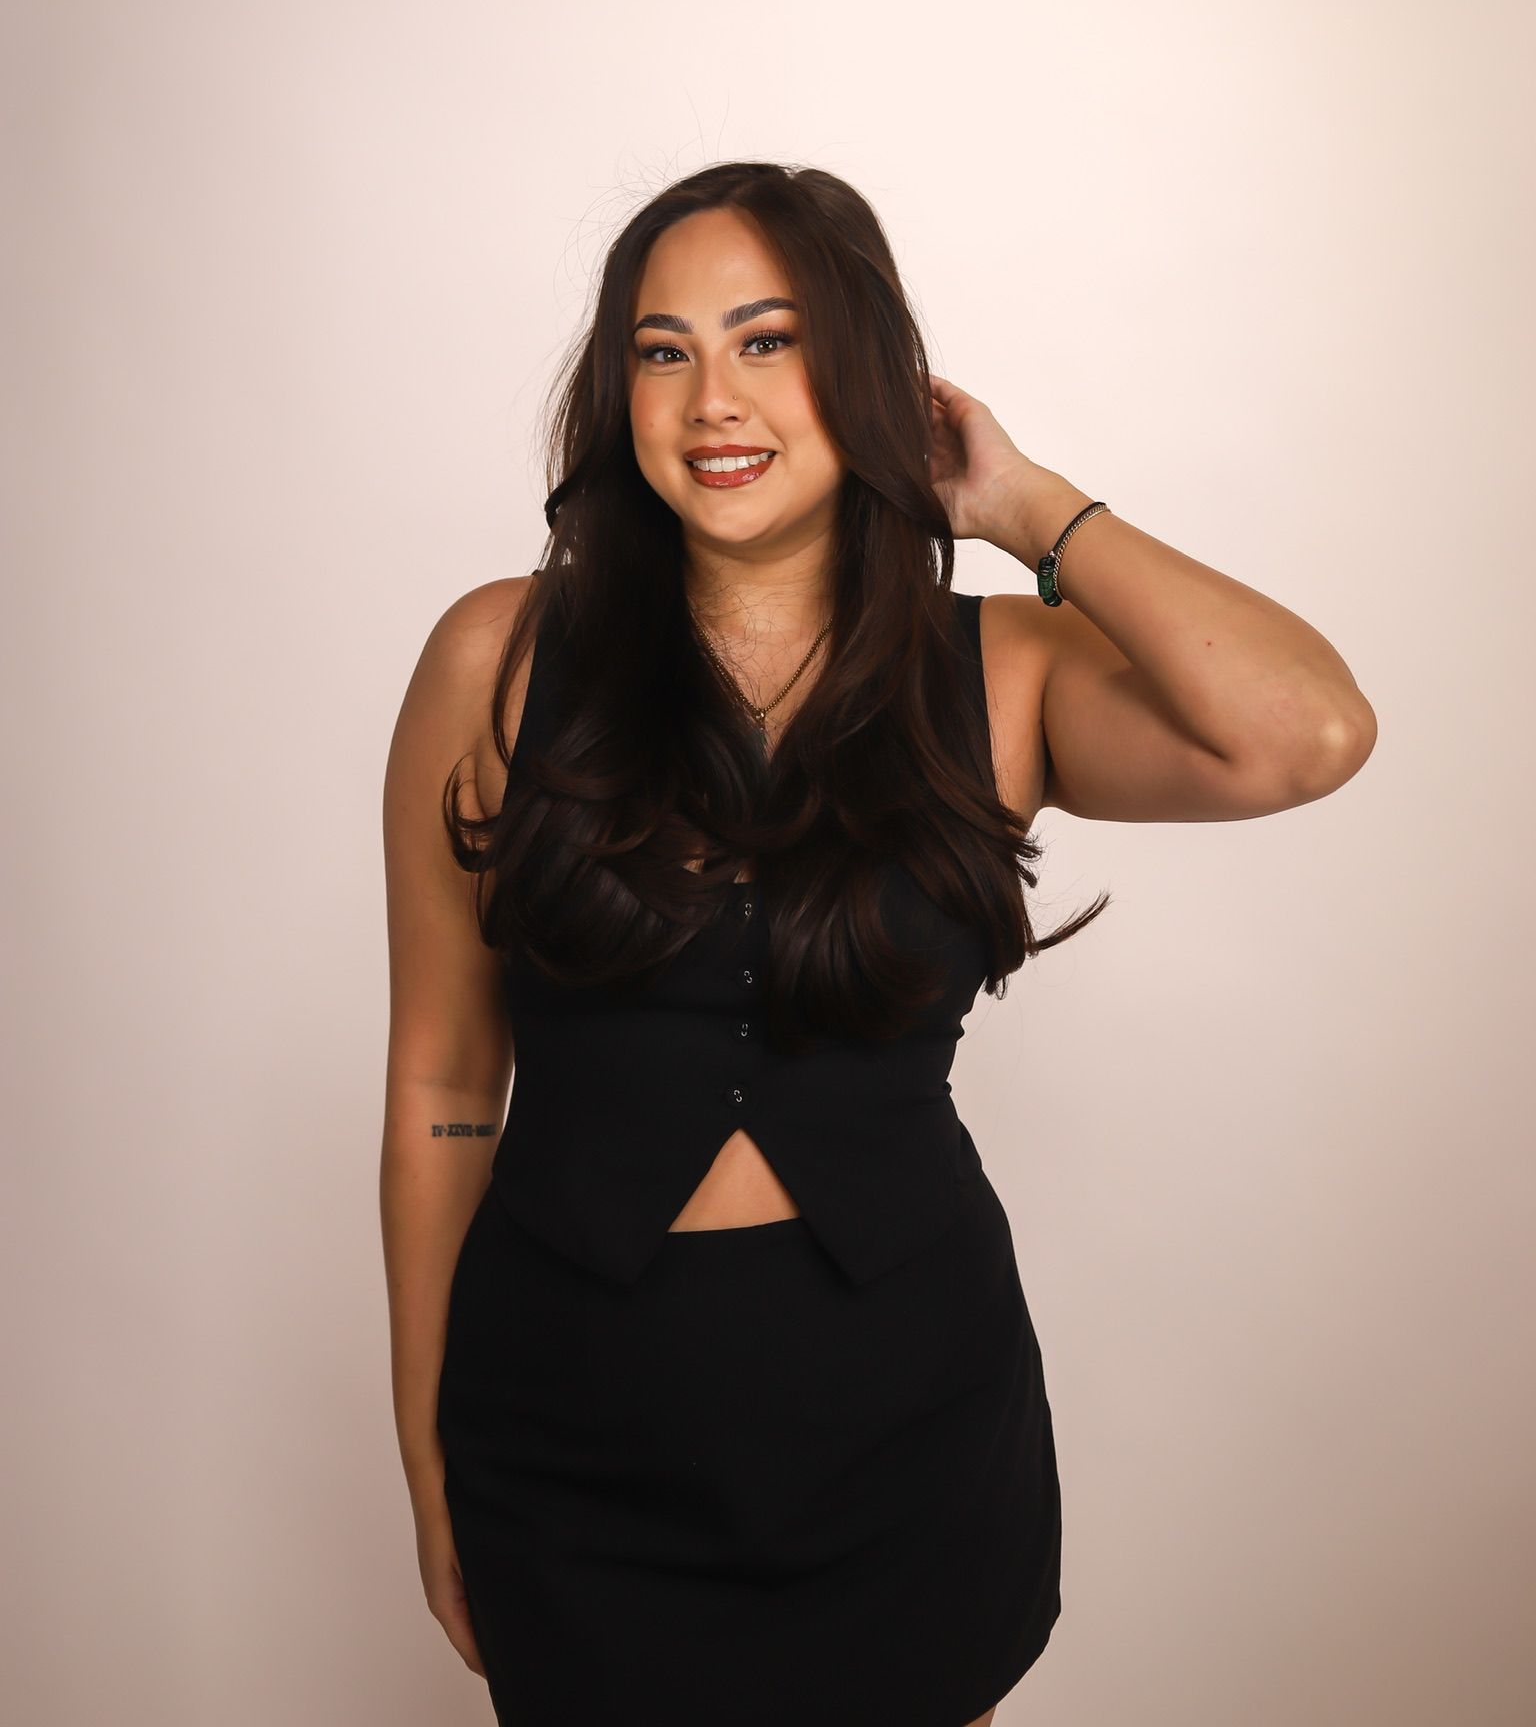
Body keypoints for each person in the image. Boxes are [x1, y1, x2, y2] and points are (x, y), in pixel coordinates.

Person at [380, 161, 1376, 1726]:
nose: (713, 398)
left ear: (865, 369)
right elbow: (443, 1080)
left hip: (906, 1433)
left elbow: (1306, 732)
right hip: (569, 1430)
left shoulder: (1007, 671)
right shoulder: (498, 657)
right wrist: (426, 1458)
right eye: (662, 350)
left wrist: (1027, 506)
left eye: (768, 340)